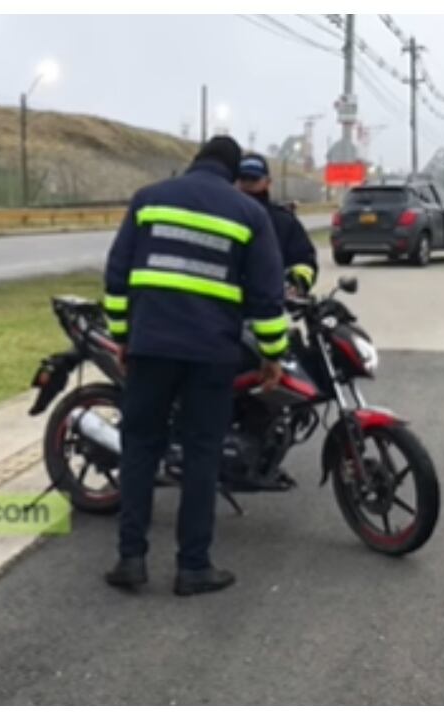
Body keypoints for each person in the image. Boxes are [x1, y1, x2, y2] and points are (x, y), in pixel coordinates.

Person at [101, 136, 287, 597]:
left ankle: (130, 558)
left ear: (196, 161)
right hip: (211, 355)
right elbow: (266, 297)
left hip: (151, 347)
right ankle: (193, 567)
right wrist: (272, 355)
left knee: (141, 447)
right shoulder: (248, 214)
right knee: (202, 455)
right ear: (231, 170)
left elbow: (118, 275)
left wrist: (123, 337)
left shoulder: (148, 200)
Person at [236, 153, 319, 294]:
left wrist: (297, 284)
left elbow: (305, 263)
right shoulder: (224, 217)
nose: (248, 184)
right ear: (236, 181)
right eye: (244, 179)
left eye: (254, 179)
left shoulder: (285, 222)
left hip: (274, 305)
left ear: (267, 182)